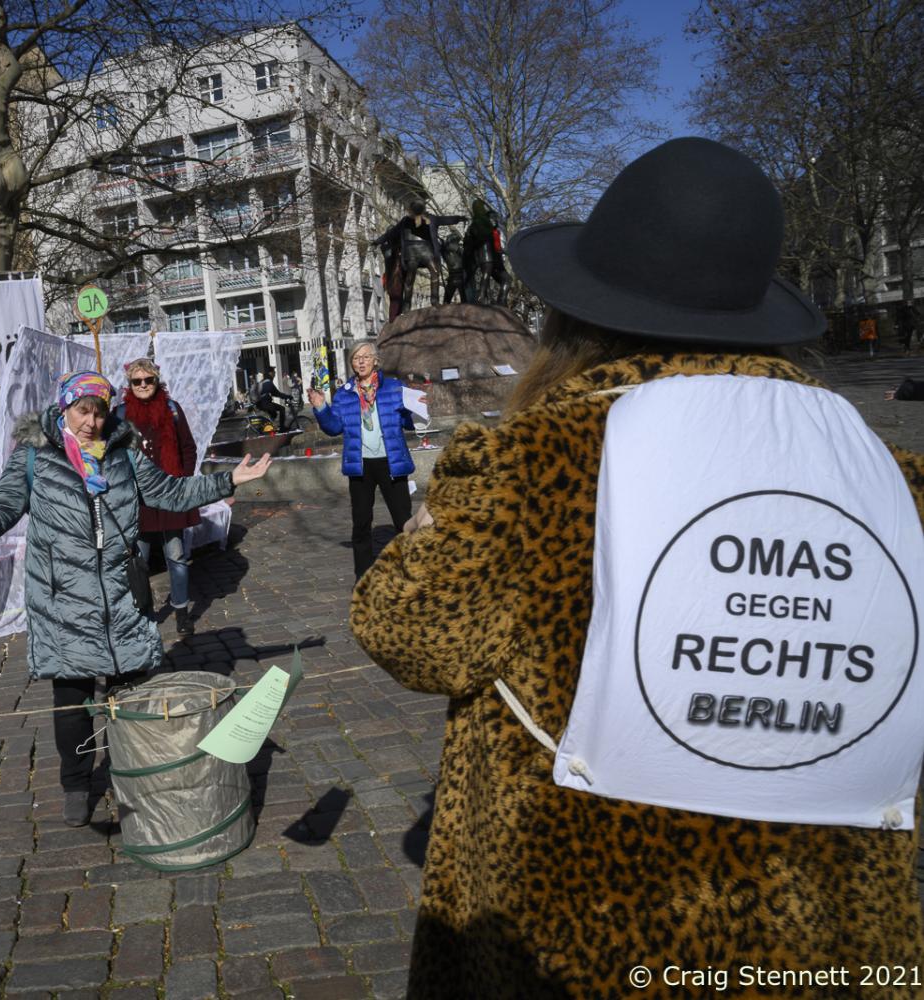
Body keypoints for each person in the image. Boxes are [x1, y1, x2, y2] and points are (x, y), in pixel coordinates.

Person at [350, 138, 924, 996]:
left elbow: (407, 632)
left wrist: (441, 506)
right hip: (820, 932)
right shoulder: (890, 477)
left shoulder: (533, 459)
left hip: (585, 931)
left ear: (578, 317)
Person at [0, 371, 272, 826]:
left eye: (100, 412)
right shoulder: (34, 455)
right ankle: (77, 785)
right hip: (63, 599)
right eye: (83, 410)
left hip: (121, 595)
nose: (92, 422)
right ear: (65, 408)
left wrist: (227, 481)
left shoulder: (123, 454)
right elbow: (0, 510)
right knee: (73, 699)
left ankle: (136, 771)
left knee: (131, 694)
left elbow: (169, 492)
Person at [306, 342, 416, 579]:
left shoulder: (395, 388)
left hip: (391, 462)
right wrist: (321, 408)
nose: (361, 361)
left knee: (403, 521)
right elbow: (334, 428)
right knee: (361, 524)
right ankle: (363, 578)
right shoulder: (345, 394)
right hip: (361, 465)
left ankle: (411, 573)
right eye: (356, 358)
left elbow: (410, 420)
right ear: (352, 363)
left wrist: (417, 408)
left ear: (376, 360)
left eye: (366, 357)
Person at [114, 358, 200, 636]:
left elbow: (188, 448)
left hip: (169, 496)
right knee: (139, 561)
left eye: (147, 380)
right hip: (137, 500)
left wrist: (182, 485)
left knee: (176, 557)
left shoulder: (173, 410)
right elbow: (111, 455)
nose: (142, 386)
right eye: (136, 381)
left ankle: (181, 612)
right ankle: (141, 613)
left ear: (156, 381)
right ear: (130, 384)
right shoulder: (121, 414)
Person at [373, 198, 466, 319]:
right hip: (421, 252)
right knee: (432, 274)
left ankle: (411, 305)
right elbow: (447, 219)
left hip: (417, 252)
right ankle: (432, 301)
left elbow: (391, 233)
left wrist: (377, 241)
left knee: (413, 278)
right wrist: (459, 218)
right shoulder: (425, 219)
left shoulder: (409, 220)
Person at [462, 197, 507, 305]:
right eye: (483, 207)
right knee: (487, 273)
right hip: (487, 253)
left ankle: (501, 301)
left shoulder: (478, 223)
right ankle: (482, 296)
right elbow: (482, 237)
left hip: (490, 255)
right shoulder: (481, 222)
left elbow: (468, 242)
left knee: (505, 279)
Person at [254, 367, 292, 432]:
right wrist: (287, 396)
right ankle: (282, 428)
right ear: (270, 373)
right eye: (274, 372)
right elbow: (276, 393)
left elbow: (274, 393)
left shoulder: (263, 381)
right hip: (265, 404)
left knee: (274, 414)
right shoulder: (268, 382)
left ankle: (270, 428)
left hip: (261, 404)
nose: (275, 374)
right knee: (282, 409)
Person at [439, 232, 467, 304]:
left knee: (462, 299)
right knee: (447, 300)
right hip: (454, 277)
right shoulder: (448, 251)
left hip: (458, 276)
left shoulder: (456, 250)